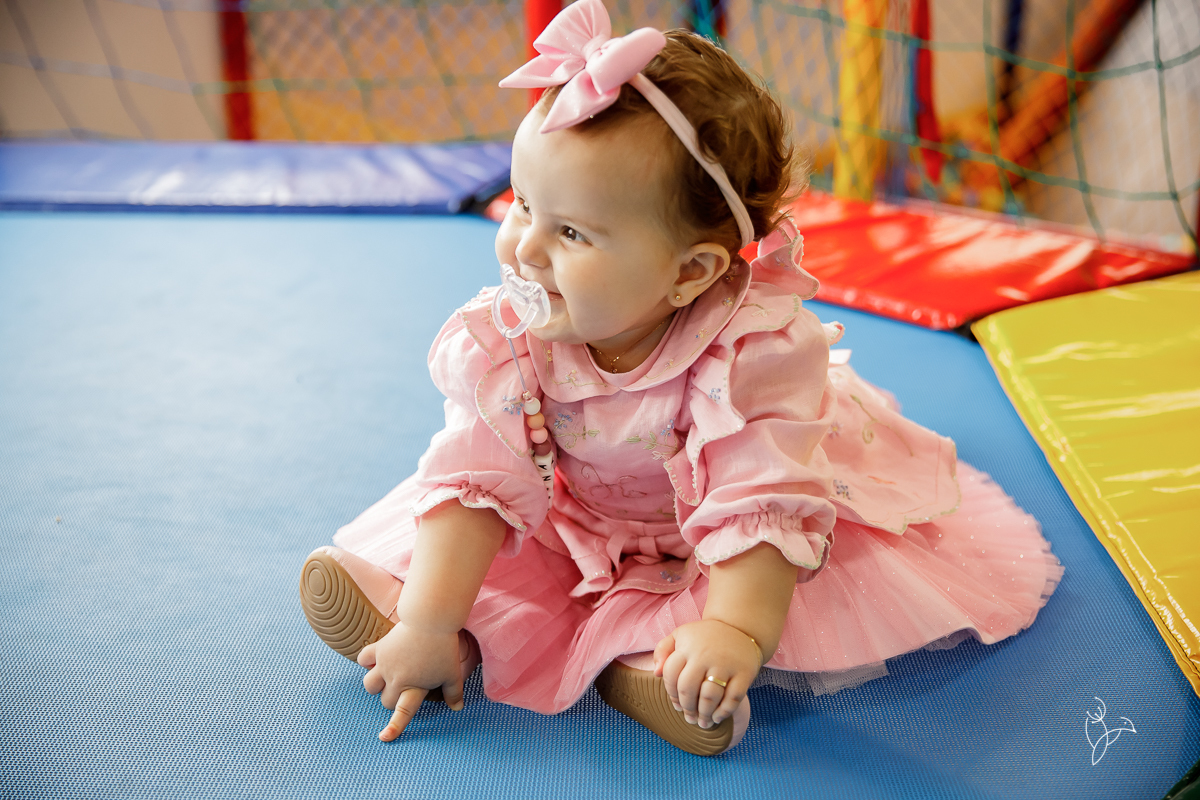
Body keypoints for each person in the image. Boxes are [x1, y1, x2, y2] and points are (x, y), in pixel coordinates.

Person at [299, 0, 1063, 756]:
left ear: (690, 273)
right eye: (524, 204)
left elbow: (754, 500)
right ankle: (448, 634)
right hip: (578, 511)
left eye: (572, 232)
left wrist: (734, 631)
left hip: (716, 531)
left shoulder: (746, 362)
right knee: (479, 546)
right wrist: (427, 621)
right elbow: (480, 482)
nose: (525, 250)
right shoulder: (511, 339)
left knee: (750, 594)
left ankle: (657, 662)